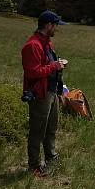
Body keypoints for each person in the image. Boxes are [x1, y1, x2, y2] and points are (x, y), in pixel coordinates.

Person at [22, 10, 67, 178]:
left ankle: (51, 156)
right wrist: (54, 66)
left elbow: (47, 64)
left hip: (51, 90)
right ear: (48, 25)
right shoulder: (32, 45)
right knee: (37, 130)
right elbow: (32, 72)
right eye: (55, 26)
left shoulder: (47, 42)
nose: (57, 29)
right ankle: (34, 165)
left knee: (51, 126)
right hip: (40, 93)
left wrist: (57, 66)